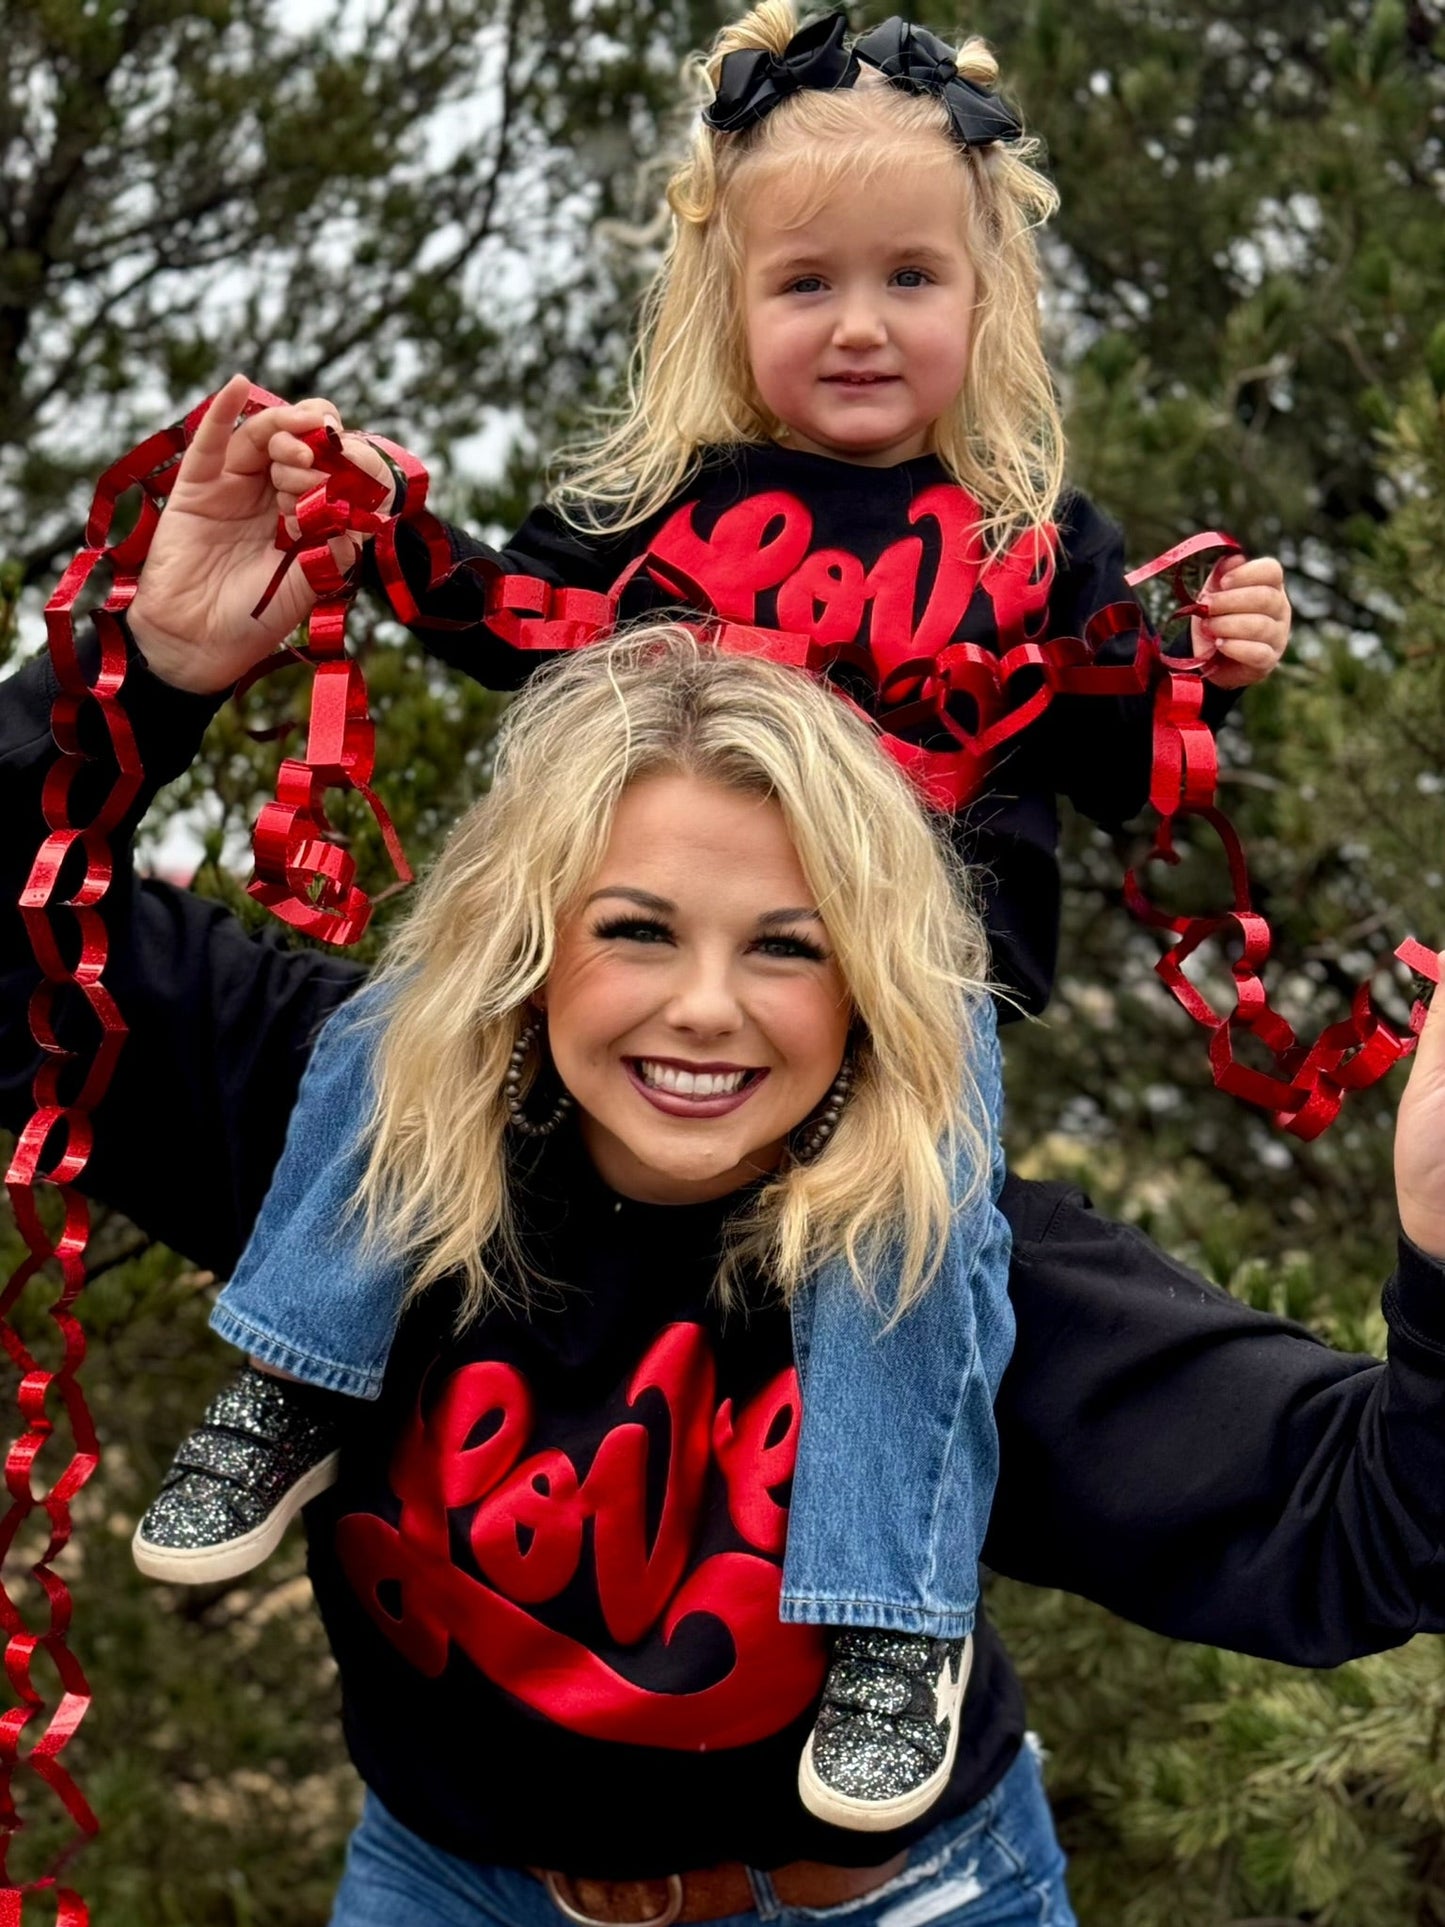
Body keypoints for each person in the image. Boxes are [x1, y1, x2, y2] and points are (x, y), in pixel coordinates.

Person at [119, 4, 1294, 1837]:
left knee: (917, 1237)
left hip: (908, 985)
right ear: (723, 304)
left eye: (909, 275)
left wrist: (1204, 674)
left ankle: (886, 1618)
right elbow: (496, 619)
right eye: (804, 279)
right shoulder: (662, 507)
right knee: (389, 1027)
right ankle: (294, 1374)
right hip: (629, 943)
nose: (856, 322)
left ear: (985, 300)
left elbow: (1129, 761)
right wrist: (372, 523)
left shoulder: (1027, 540)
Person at [3, 580, 1442, 1925]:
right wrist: (143, 668)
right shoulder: (345, 1119)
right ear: (529, 937)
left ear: (872, 984)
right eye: (635, 929)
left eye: (786, 948)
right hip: (451, 1884)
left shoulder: (952, 1271)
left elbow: (1363, 1527)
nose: (703, 1008)